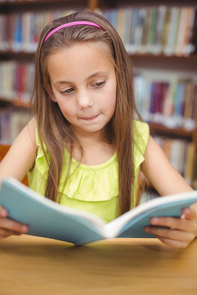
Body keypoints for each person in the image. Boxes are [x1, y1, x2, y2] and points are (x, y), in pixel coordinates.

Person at [0, 11, 196, 248]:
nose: (84, 102)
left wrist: (191, 227)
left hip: (113, 274)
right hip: (46, 272)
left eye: (98, 84)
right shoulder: (37, 133)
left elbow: (191, 207)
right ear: (51, 92)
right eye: (67, 90)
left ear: (120, 77)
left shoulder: (138, 139)